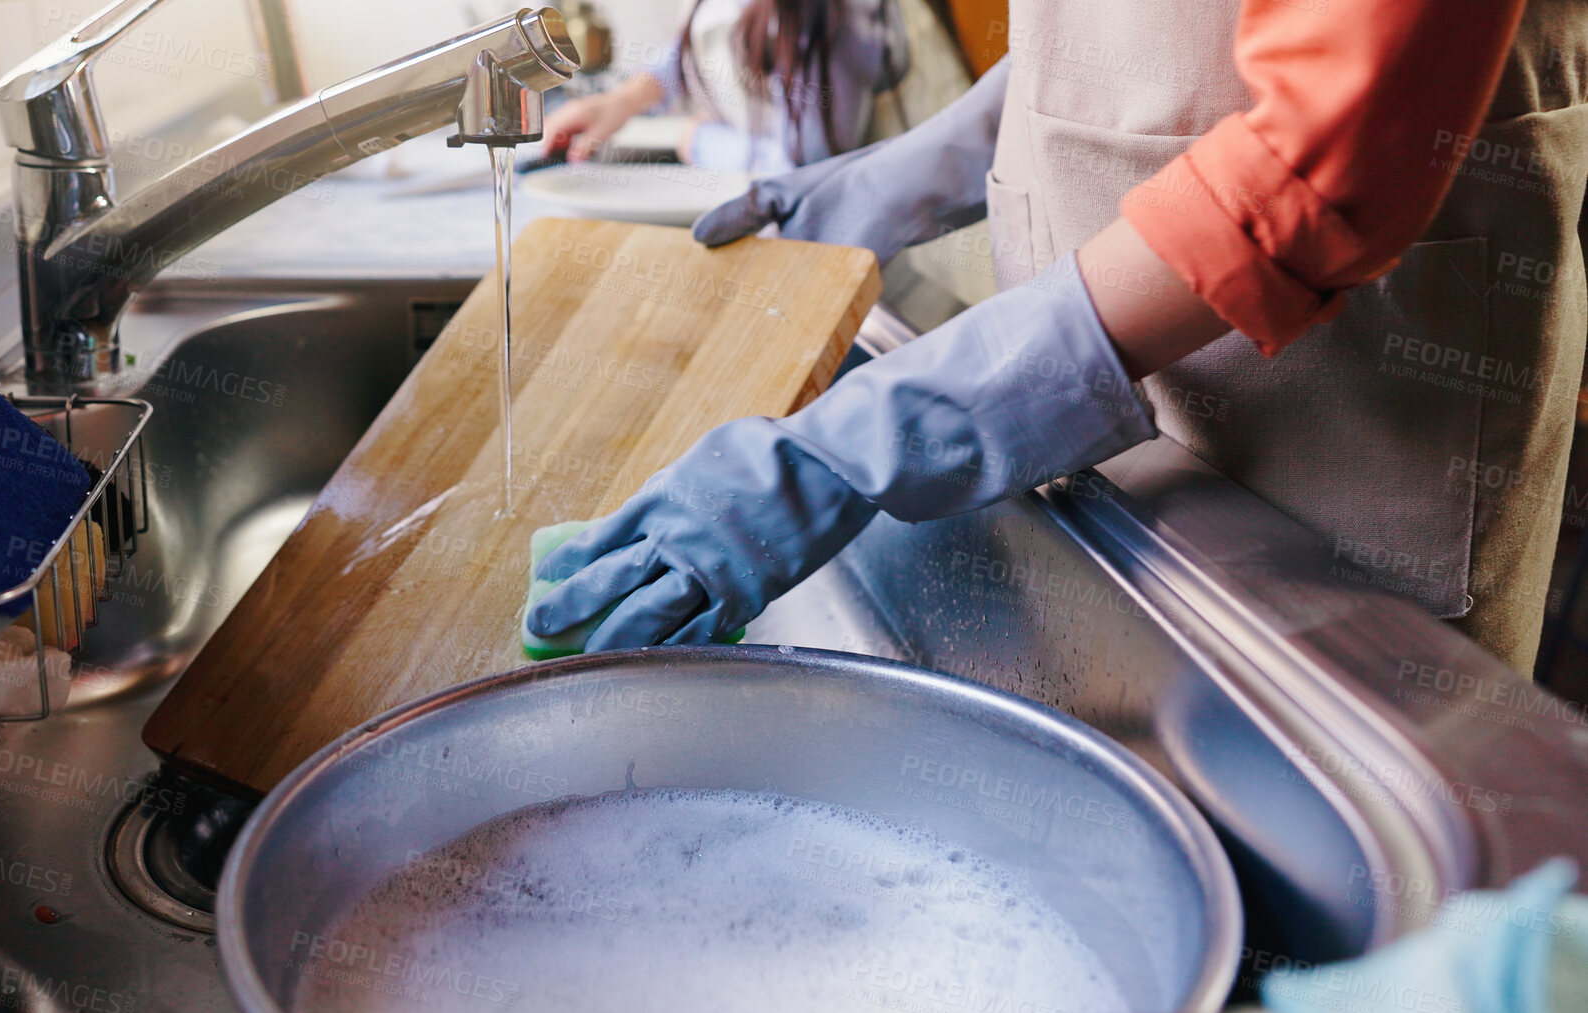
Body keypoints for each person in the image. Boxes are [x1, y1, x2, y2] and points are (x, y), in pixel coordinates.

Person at [525, 0, 1588, 675]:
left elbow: (1332, 139)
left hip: (1353, 426)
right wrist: (926, 167)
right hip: (1090, 421)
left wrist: (874, 435)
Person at [542, 0, 972, 174]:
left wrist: (699, 140)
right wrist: (627, 99)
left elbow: (805, 171)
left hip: (898, 291)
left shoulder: (830, 12)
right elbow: (707, 35)